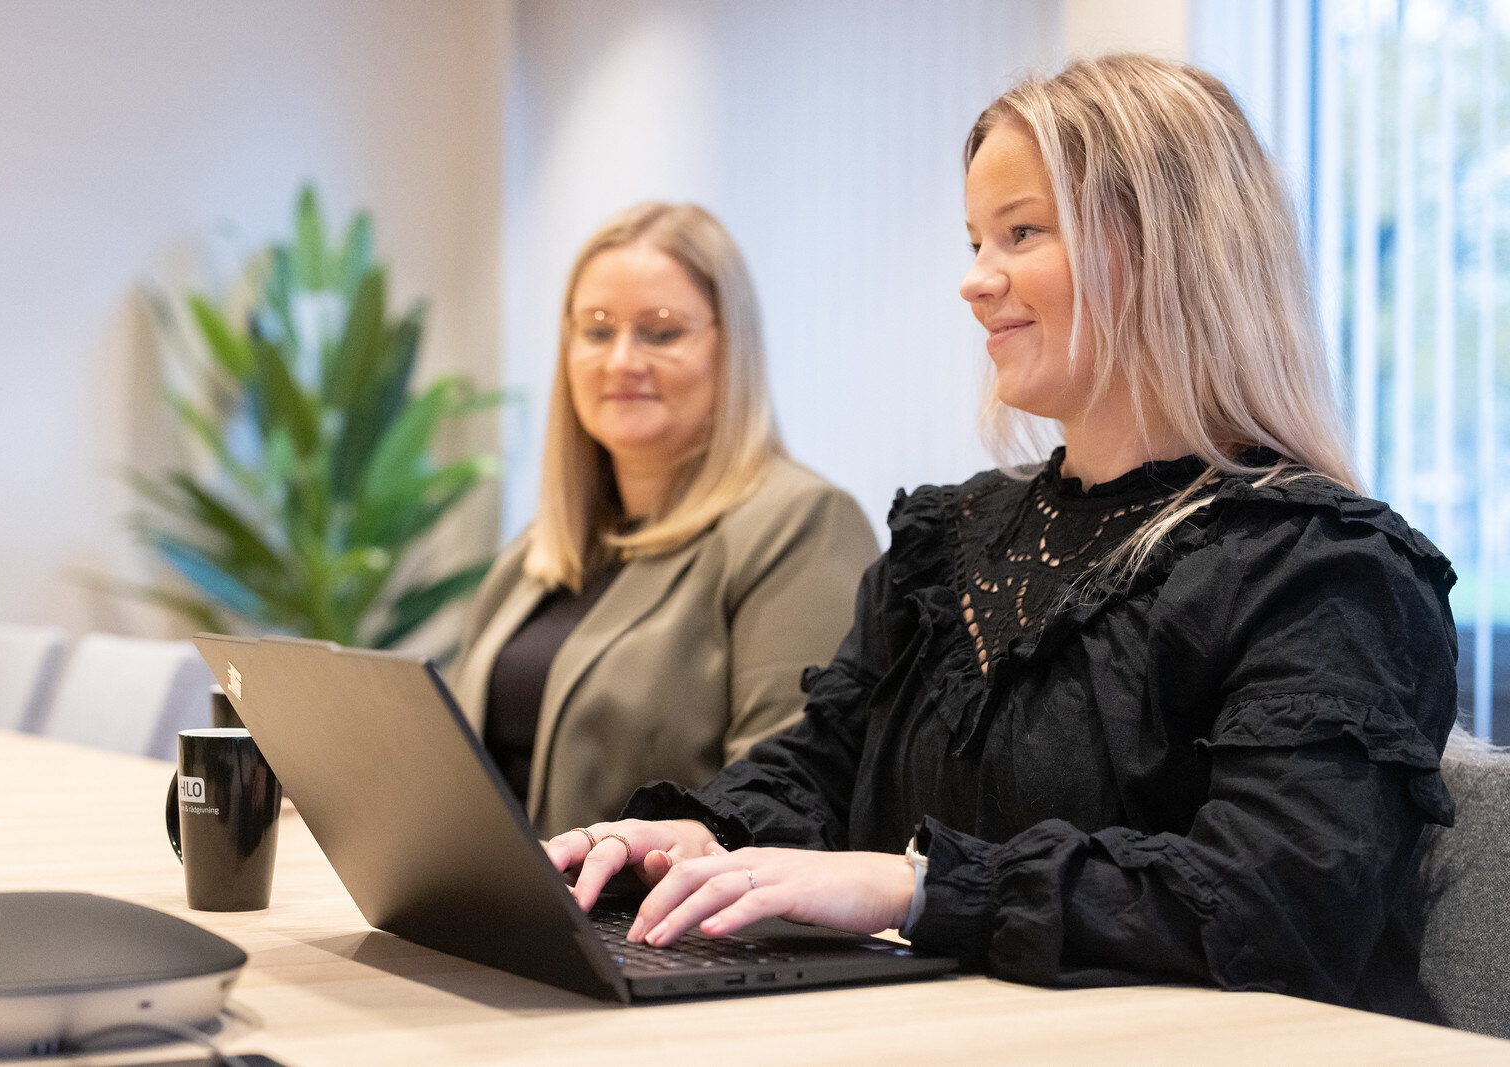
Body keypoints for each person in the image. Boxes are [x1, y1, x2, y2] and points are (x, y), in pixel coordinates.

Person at [545, 55, 1459, 1020]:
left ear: (1170, 246)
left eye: (1020, 233)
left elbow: (1273, 909)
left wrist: (914, 887)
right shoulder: (948, 540)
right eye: (977, 239)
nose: (975, 281)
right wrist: (700, 835)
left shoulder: (1325, 569)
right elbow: (821, 765)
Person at [451, 202, 880, 838]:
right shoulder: (539, 550)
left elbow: (787, 802)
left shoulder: (803, 524)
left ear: (730, 348)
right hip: (490, 895)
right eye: (597, 331)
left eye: (661, 332)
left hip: (657, 901)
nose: (622, 360)